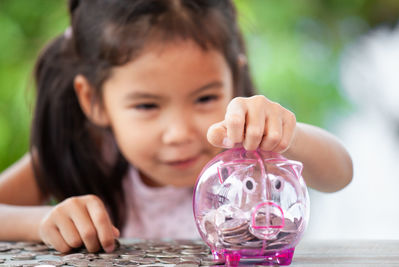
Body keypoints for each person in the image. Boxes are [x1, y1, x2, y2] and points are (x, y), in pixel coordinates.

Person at [0, 0, 353, 254]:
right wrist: (41, 222)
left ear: (234, 77)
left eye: (204, 99)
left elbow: (340, 173)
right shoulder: (87, 152)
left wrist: (287, 134)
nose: (180, 132)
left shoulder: (249, 147)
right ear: (93, 100)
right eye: (147, 105)